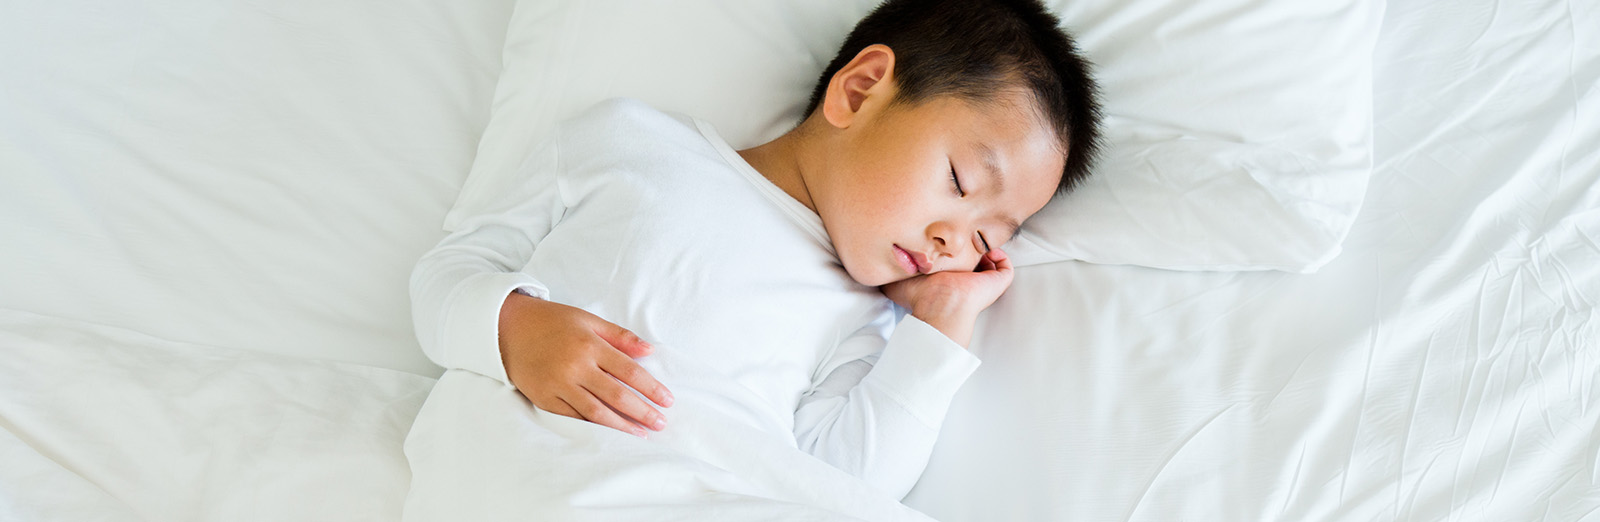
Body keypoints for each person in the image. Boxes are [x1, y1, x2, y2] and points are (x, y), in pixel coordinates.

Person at [404, 0, 1102, 507]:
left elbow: (841, 484)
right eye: (960, 182)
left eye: (988, 239)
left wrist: (940, 325)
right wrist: (513, 328)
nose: (957, 241)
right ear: (859, 90)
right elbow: (448, 273)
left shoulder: (864, 320)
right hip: (531, 478)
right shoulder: (630, 144)